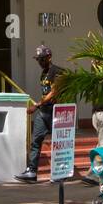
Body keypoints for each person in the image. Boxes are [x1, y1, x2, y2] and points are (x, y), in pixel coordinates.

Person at [16, 45, 64, 183]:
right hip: (43, 112)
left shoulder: (57, 72)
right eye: (38, 60)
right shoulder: (43, 73)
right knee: (35, 142)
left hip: (55, 112)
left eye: (42, 59)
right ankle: (31, 172)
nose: (40, 62)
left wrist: (37, 105)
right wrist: (40, 106)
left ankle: (60, 172)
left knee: (59, 143)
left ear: (49, 57)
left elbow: (54, 92)